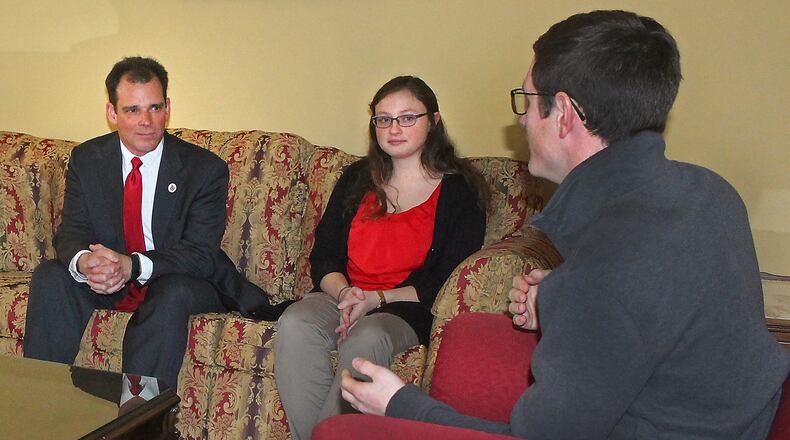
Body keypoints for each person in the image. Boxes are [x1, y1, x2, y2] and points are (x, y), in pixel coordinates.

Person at [338, 10, 790, 439]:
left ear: (565, 114)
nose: (520, 117)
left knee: (338, 431)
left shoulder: (606, 274)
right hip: (732, 419)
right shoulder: (711, 191)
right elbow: (658, 299)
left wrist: (401, 404)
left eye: (528, 101)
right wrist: (560, 294)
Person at [23, 56, 285, 410]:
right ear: (112, 113)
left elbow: (200, 254)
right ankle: (42, 403)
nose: (145, 121)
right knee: (52, 276)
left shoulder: (203, 169)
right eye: (132, 110)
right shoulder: (88, 158)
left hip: (177, 277)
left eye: (155, 108)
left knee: (171, 293)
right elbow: (71, 230)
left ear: (168, 108)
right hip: (110, 279)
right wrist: (86, 262)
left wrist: (131, 266)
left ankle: (138, 419)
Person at [273, 75, 487, 440]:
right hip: (343, 295)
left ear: (433, 121)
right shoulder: (357, 178)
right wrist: (345, 295)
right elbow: (324, 258)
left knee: (367, 336)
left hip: (403, 306)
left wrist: (377, 299)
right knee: (295, 323)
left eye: (407, 117)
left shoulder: (459, 191)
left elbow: (445, 282)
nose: (394, 128)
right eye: (383, 119)